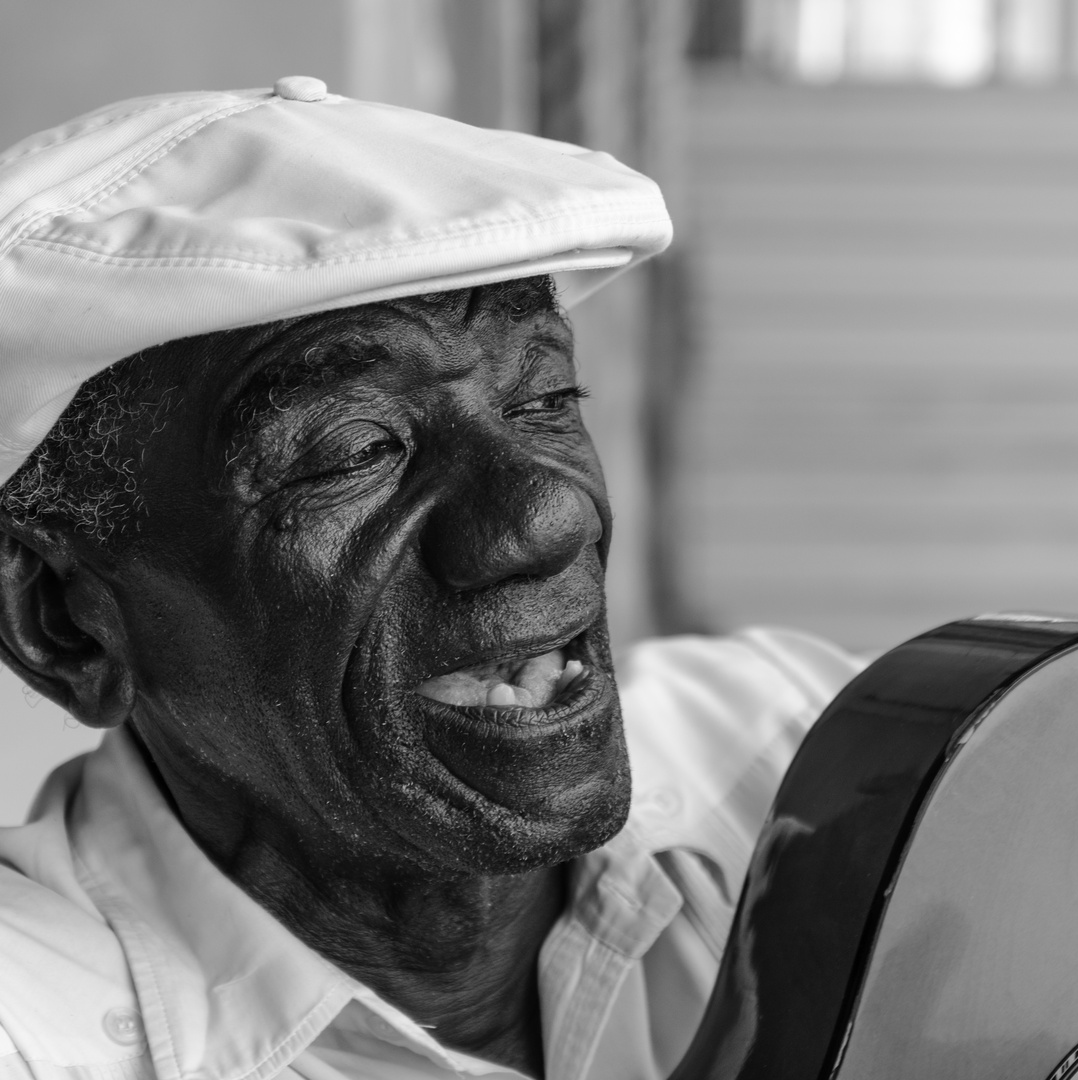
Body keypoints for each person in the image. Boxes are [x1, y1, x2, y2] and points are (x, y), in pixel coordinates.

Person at [0, 79, 863, 1080]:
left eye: (543, 396)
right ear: (65, 621)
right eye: (353, 451)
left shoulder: (824, 757)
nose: (545, 516)